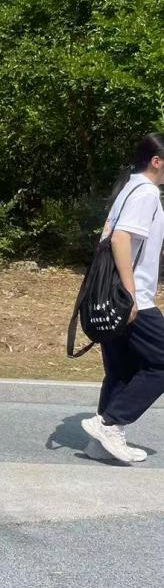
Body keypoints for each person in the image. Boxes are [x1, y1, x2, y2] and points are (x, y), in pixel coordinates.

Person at [81, 133, 164, 464]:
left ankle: (101, 443)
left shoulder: (128, 188)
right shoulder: (146, 193)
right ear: (156, 161)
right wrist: (130, 294)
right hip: (133, 297)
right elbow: (120, 238)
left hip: (112, 294)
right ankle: (110, 424)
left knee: (121, 369)